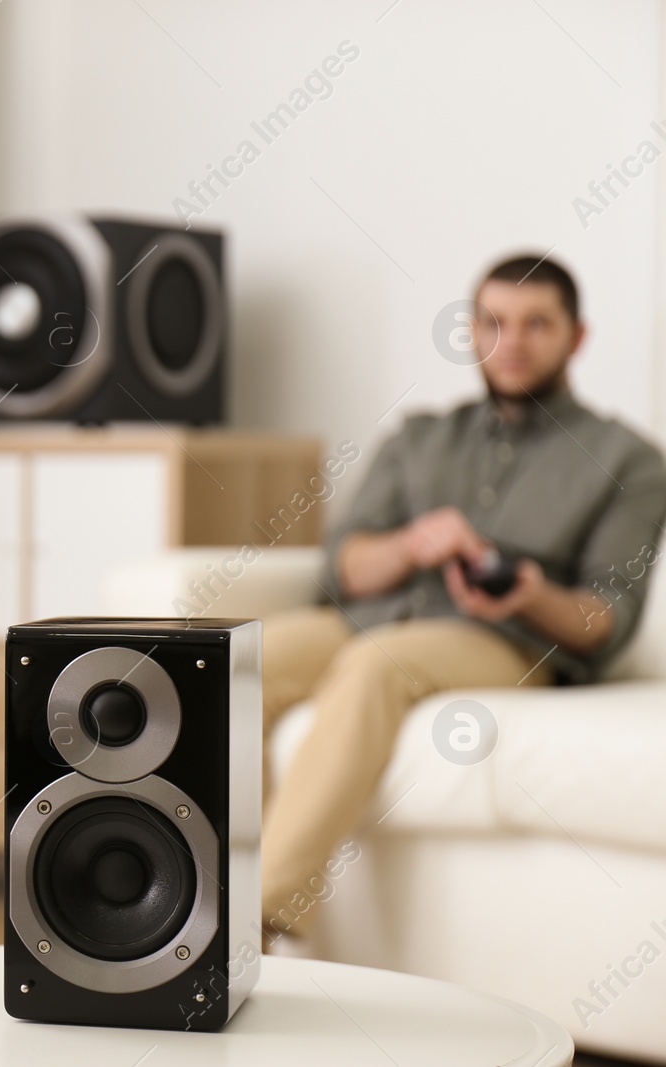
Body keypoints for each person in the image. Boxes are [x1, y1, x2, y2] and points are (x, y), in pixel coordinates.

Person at [261, 254, 666, 938]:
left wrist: (530, 596)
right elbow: (341, 568)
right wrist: (409, 545)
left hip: (509, 643)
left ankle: (260, 919)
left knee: (376, 667)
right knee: (241, 658)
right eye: (494, 322)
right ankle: (145, 880)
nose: (512, 342)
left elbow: (607, 619)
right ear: (472, 330)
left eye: (537, 324)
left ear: (577, 337)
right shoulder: (419, 437)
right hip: (377, 613)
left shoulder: (630, 461)